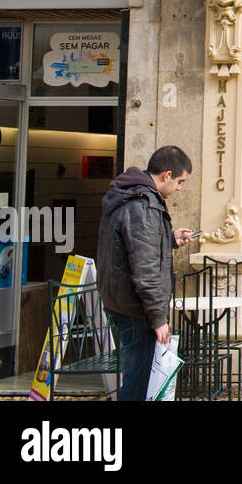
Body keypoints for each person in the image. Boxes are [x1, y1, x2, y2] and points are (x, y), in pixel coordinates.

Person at [96, 145, 195, 401]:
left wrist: (169, 238)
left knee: (137, 375)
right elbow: (145, 267)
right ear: (167, 175)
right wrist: (158, 318)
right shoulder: (143, 204)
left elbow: (133, 245)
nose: (180, 188)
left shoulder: (129, 195)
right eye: (180, 181)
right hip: (135, 308)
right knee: (138, 380)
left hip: (122, 303)